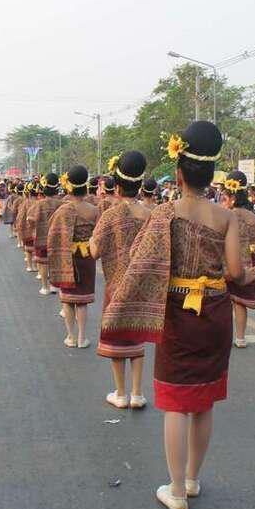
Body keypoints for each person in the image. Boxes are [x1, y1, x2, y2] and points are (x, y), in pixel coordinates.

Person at [101, 122, 255, 509]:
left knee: (175, 402)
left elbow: (139, 257)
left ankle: (176, 491)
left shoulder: (164, 214)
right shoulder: (226, 217)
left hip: (177, 311)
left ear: (179, 172)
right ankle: (191, 480)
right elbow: (235, 271)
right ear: (211, 173)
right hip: (216, 312)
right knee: (203, 401)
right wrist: (248, 275)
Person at [91, 151, 151, 409]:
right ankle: (137, 393)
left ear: (116, 186)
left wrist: (92, 240)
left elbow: (94, 252)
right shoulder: (150, 214)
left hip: (116, 284)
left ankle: (121, 393)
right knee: (137, 337)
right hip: (142, 286)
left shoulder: (110, 215)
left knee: (117, 339)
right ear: (140, 185)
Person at [48, 165, 99, 349]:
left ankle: (70, 336)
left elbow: (53, 234)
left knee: (68, 300)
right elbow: (98, 235)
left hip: (67, 258)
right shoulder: (94, 210)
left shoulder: (63, 211)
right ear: (85, 186)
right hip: (86, 258)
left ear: (68, 187)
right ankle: (82, 338)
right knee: (82, 301)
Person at [223, 171, 255, 348]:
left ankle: (224, 337)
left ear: (231, 197)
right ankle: (241, 338)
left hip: (228, 258)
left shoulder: (225, 215)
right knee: (240, 301)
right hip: (249, 259)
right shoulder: (253, 217)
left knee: (225, 299)